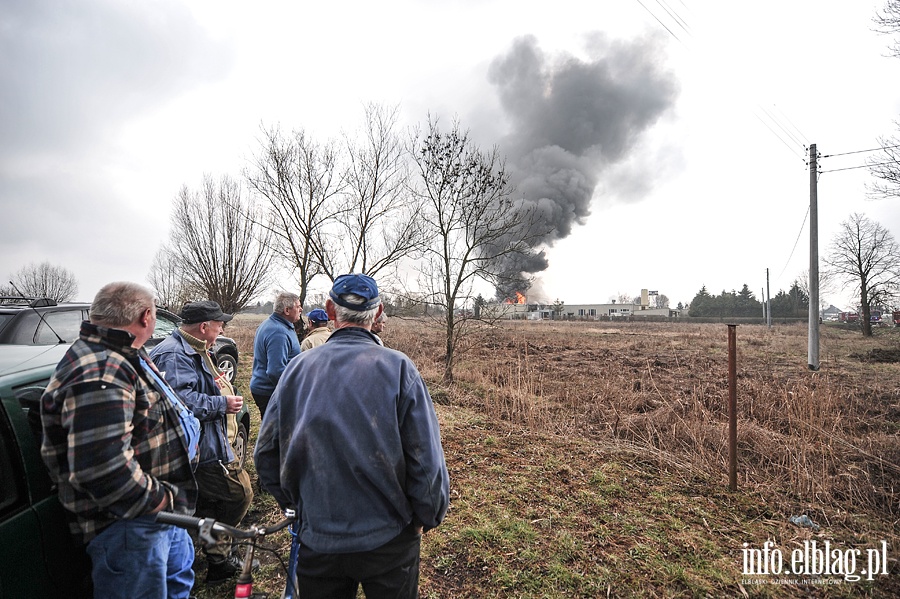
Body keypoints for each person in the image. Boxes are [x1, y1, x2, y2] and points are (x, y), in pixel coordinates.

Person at [255, 274, 450, 599]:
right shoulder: (400, 369)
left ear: (330, 310)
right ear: (378, 312)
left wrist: (300, 506)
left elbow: (265, 454)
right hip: (389, 540)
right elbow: (426, 462)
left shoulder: (296, 370)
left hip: (318, 538)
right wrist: (426, 517)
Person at [40, 282, 200, 599]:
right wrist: (162, 500)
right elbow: (101, 468)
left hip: (157, 519)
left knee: (177, 587)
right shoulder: (102, 368)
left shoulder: (126, 353)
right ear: (146, 317)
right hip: (130, 526)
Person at [149, 300, 253, 585]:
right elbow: (181, 402)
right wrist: (222, 404)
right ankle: (217, 550)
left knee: (209, 501)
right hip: (198, 449)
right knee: (238, 493)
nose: (223, 328)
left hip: (208, 442)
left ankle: (216, 558)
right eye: (219, 323)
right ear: (204, 326)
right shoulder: (174, 355)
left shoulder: (196, 348)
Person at [250, 291, 302, 418]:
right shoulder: (278, 332)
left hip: (267, 389)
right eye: (298, 306)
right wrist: (291, 392)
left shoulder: (273, 324)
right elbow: (275, 371)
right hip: (271, 392)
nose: (301, 309)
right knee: (277, 434)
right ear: (287, 310)